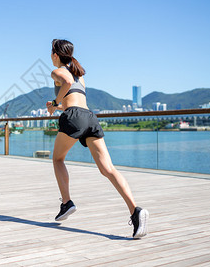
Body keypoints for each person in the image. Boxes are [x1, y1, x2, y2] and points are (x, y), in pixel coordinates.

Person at [46, 39, 149, 239]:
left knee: (58, 159)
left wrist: (57, 101)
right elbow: (73, 99)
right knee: (108, 169)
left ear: (56, 55)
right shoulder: (79, 75)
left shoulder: (57, 72)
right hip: (89, 117)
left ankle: (67, 203)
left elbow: (66, 88)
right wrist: (56, 106)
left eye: (51, 52)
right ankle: (135, 211)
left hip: (74, 117)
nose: (50, 56)